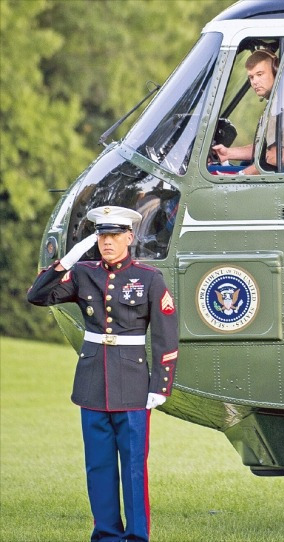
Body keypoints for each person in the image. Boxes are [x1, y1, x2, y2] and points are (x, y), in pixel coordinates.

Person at [27, 206, 179, 542]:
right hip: (93, 381)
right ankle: (107, 535)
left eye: (113, 235)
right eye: (101, 235)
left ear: (129, 237)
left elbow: (166, 335)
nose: (107, 242)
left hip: (134, 384)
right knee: (99, 468)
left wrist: (160, 384)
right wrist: (68, 259)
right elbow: (37, 296)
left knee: (134, 469)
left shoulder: (149, 278)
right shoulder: (83, 273)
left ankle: (137, 536)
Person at [212, 49, 283, 175]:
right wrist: (228, 153)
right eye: (251, 77)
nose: (254, 82)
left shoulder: (283, 108)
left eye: (260, 74)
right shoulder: (274, 105)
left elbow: (275, 157)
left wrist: (240, 176)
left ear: (276, 72)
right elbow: (264, 150)